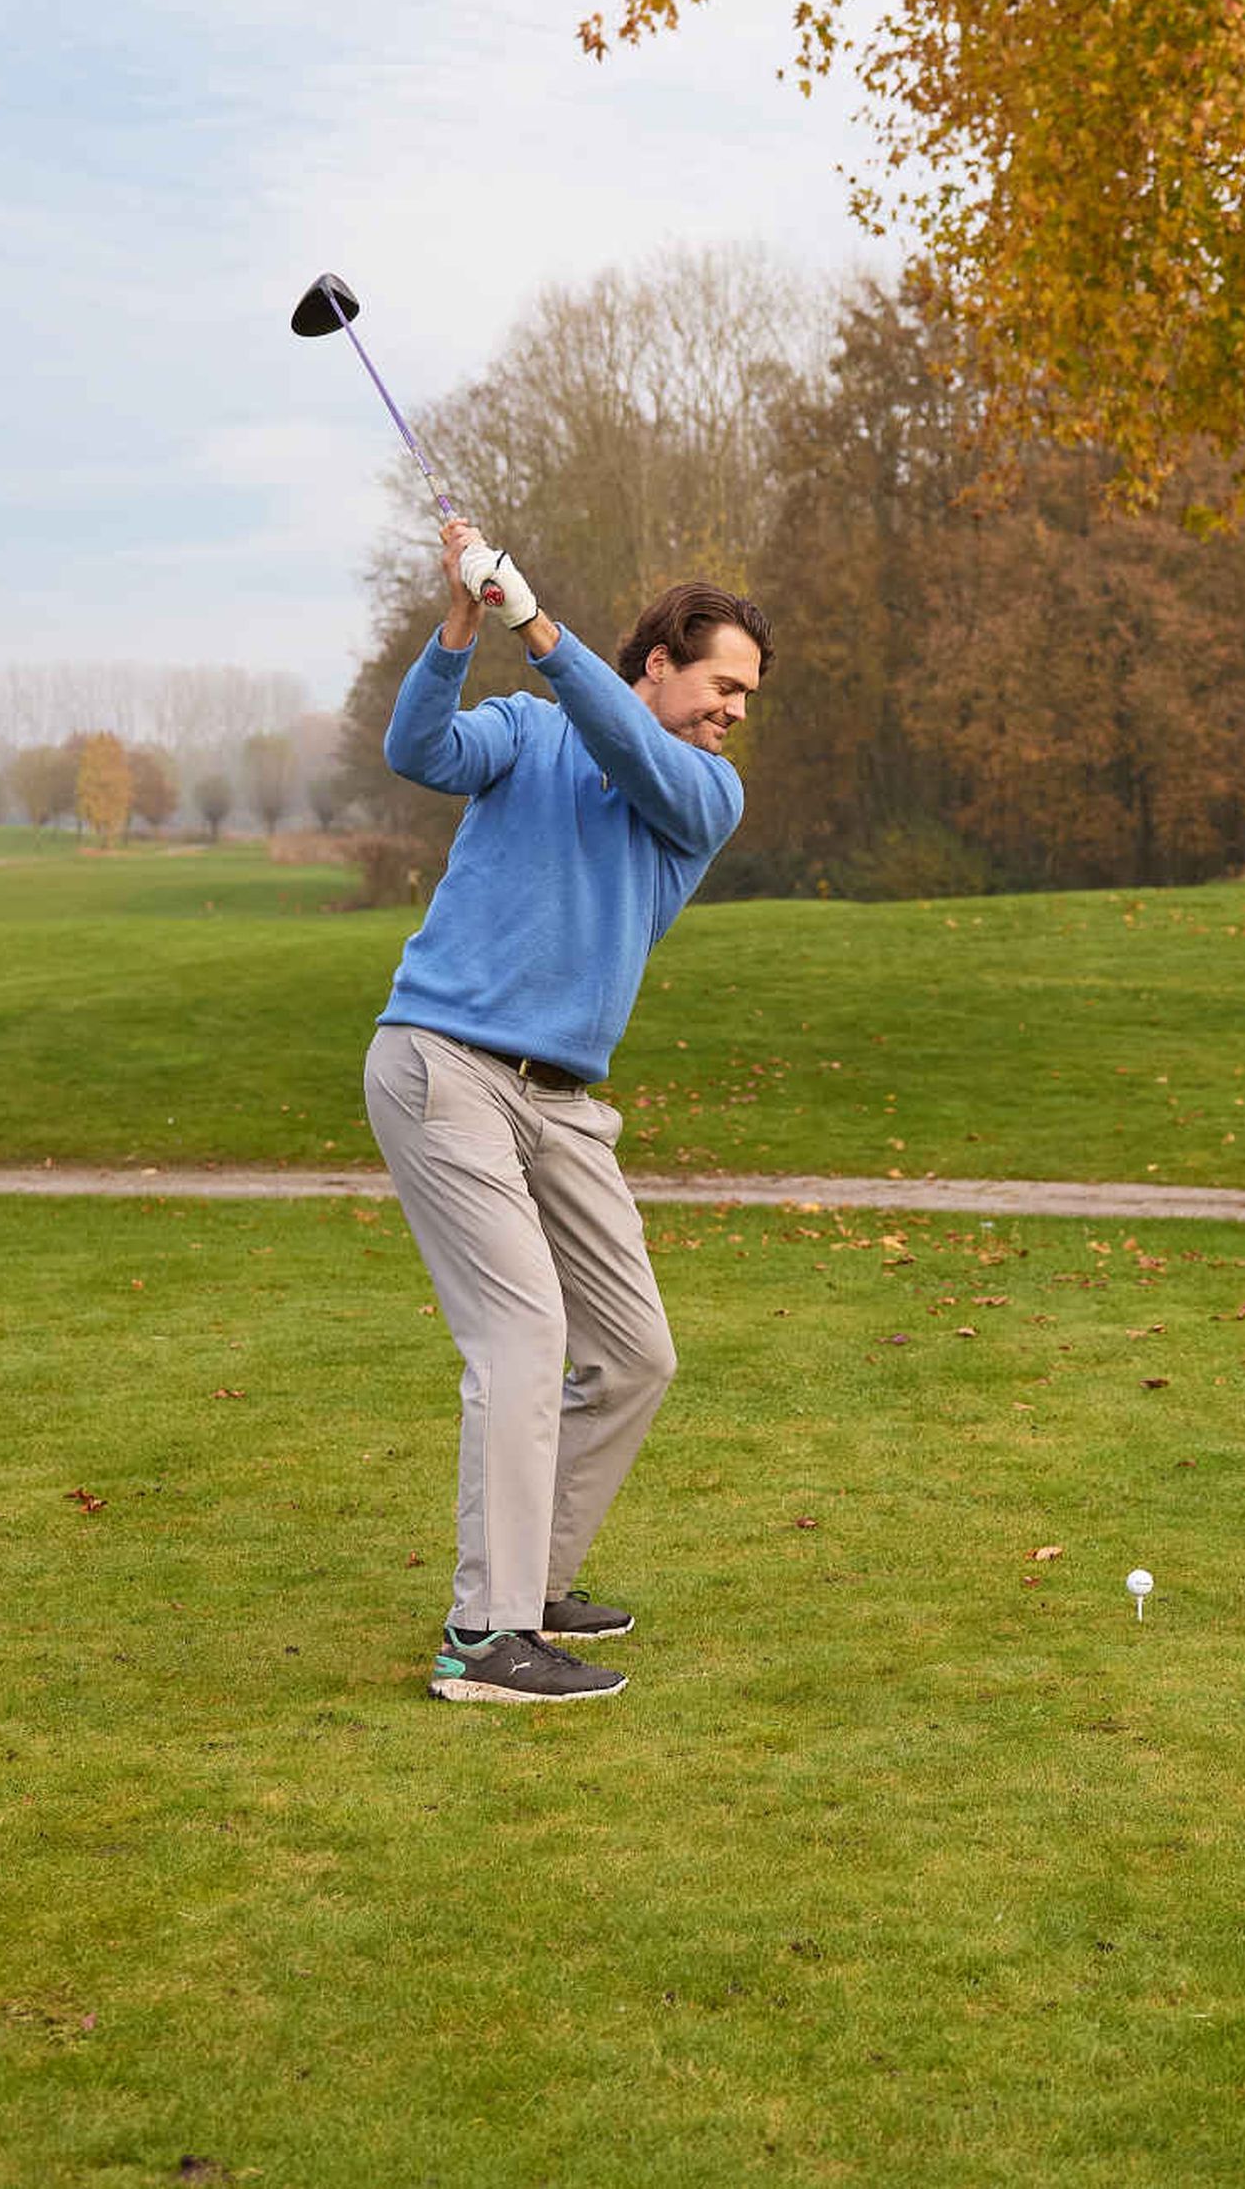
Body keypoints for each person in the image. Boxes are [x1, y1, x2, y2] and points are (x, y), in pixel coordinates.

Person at [360, 515, 767, 1706]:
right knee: (524, 1341)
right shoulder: (528, 731)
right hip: (448, 1070)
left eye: (748, 695)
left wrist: (538, 624)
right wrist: (461, 625)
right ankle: (484, 1642)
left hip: (565, 1105)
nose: (735, 709)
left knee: (635, 1353)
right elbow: (417, 750)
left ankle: (529, 1585)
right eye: (720, 683)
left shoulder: (705, 794)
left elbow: (628, 757)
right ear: (658, 664)